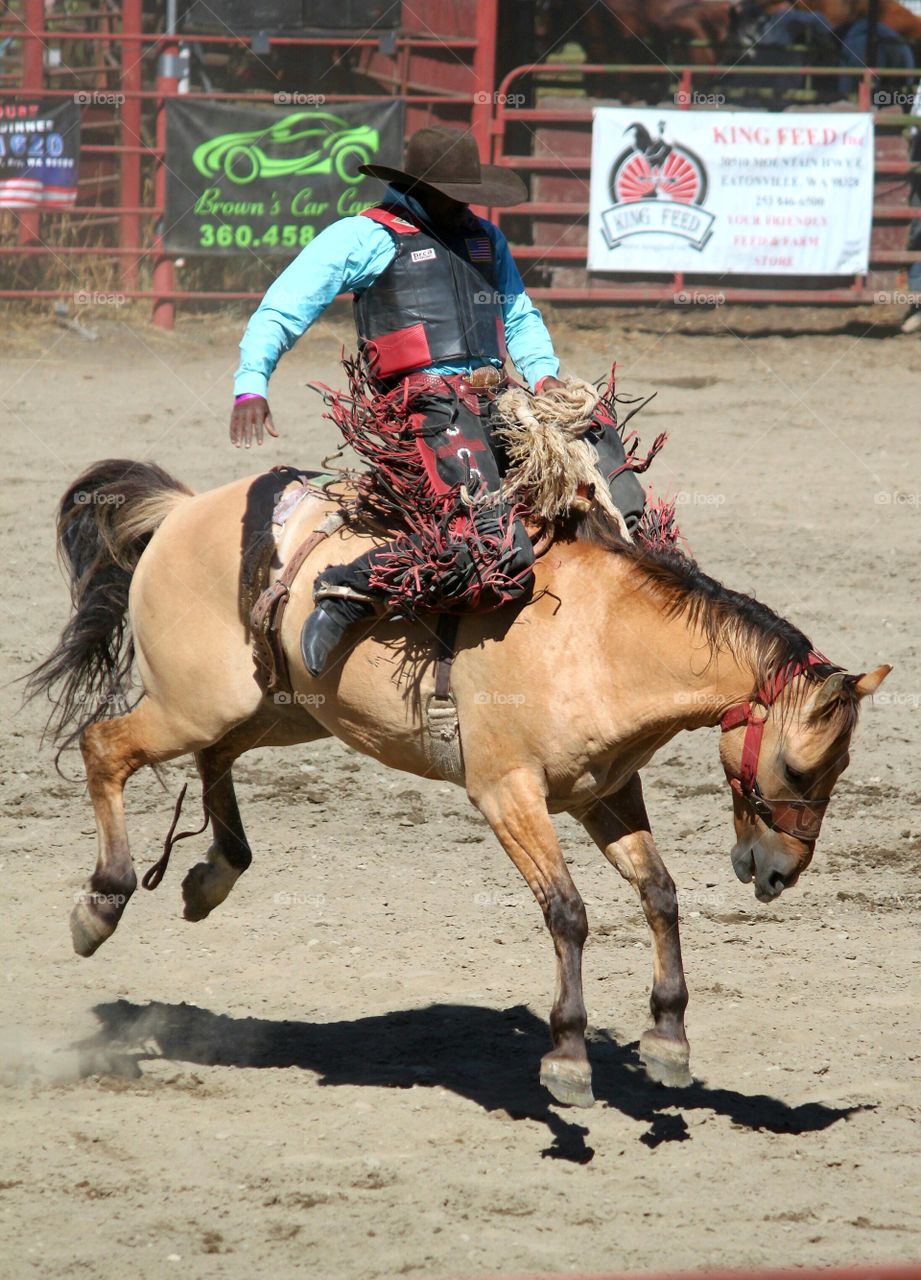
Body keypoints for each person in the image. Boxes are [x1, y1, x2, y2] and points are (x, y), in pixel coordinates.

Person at [230, 126, 643, 676]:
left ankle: (645, 565)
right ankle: (350, 588)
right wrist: (251, 383)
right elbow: (284, 307)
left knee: (598, 441)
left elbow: (518, 316)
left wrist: (545, 381)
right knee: (492, 545)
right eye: (456, 190)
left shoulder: (484, 239)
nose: (467, 202)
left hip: (498, 400)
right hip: (423, 406)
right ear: (423, 188)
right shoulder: (364, 236)